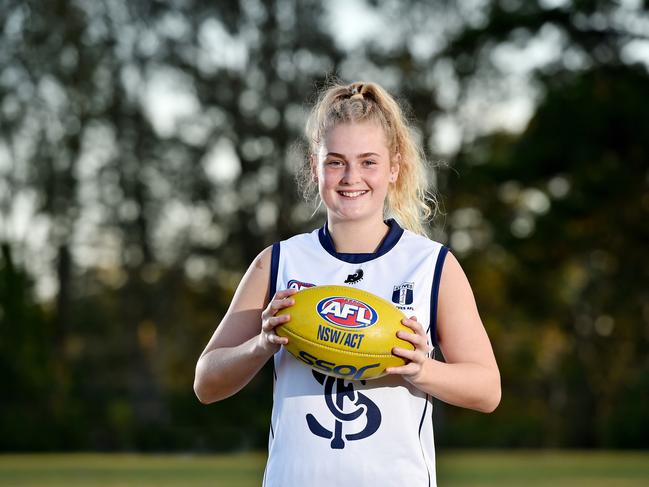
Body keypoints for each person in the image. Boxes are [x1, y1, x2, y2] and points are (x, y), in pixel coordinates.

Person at [194, 81, 501, 486]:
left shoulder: (432, 265)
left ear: (394, 167)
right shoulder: (277, 262)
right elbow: (206, 383)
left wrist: (421, 370)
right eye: (335, 161)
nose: (351, 177)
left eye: (368, 162)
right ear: (314, 167)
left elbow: (487, 389)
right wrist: (261, 344)